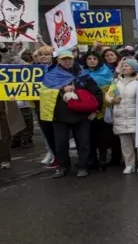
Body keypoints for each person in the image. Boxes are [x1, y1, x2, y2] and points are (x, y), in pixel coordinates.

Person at [43, 49, 103, 179]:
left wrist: (95, 110)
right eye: (64, 59)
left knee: (83, 143)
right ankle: (63, 166)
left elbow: (97, 93)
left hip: (81, 115)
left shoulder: (83, 74)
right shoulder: (51, 75)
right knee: (61, 144)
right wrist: (61, 88)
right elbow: (43, 93)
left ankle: (83, 166)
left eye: (69, 58)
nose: (68, 61)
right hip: (60, 116)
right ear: (58, 60)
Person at [106, 59, 138, 174]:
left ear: (134, 69)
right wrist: (112, 99)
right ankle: (129, 164)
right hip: (120, 116)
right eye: (123, 66)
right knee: (125, 143)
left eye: (127, 66)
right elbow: (108, 95)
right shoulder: (115, 81)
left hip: (136, 116)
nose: (124, 68)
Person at [83, 51, 115, 172]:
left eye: (94, 58)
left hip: (102, 110)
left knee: (102, 137)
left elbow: (110, 91)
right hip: (85, 110)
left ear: (99, 61)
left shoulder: (106, 73)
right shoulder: (82, 73)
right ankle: (92, 160)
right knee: (88, 137)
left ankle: (102, 160)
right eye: (89, 58)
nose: (91, 60)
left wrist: (97, 110)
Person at [33, 45, 58, 168]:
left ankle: (62, 158)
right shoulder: (32, 70)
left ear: (52, 56)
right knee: (48, 134)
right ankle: (56, 157)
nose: (43, 57)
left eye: (46, 54)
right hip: (39, 106)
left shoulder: (58, 68)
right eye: (41, 54)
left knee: (59, 134)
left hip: (56, 106)